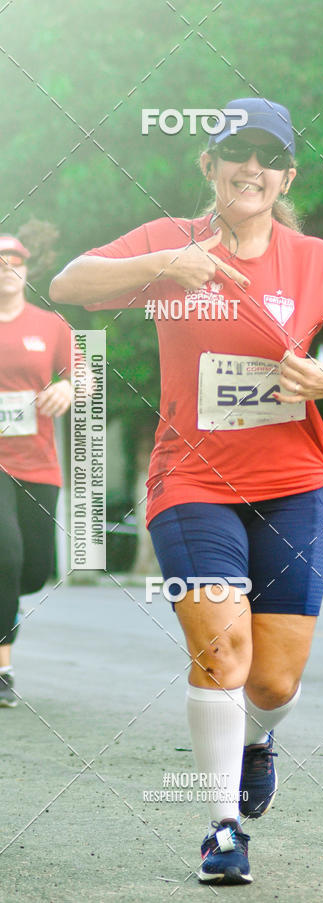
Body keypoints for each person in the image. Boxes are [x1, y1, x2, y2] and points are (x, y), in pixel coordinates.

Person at [50, 97, 323, 885]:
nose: (252, 169)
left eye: (269, 158)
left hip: (295, 485)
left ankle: (257, 740)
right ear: (207, 165)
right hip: (191, 482)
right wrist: (160, 266)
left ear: (287, 176)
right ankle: (221, 828)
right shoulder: (164, 243)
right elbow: (68, 281)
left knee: (275, 679)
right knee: (223, 653)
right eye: (235, 154)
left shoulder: (318, 260)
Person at [0, 235, 72, 707]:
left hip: (39, 464)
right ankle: (3, 668)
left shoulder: (51, 325)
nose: (7, 266)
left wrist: (66, 389)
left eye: (16, 260)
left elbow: (80, 375)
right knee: (5, 557)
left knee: (33, 570)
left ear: (28, 270)